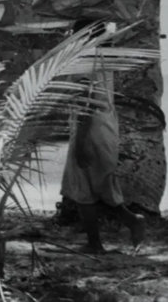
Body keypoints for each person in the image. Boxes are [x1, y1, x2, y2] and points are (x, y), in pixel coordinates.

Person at [61, 61, 144, 252]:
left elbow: (85, 105)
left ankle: (97, 242)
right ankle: (130, 222)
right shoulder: (104, 62)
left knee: (84, 189)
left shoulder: (83, 64)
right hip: (105, 128)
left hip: (89, 132)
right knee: (101, 186)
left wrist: (80, 143)